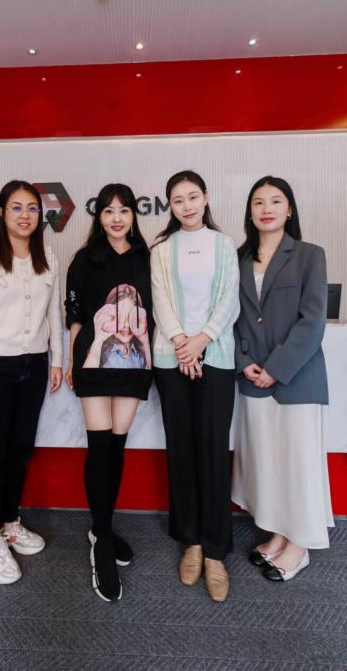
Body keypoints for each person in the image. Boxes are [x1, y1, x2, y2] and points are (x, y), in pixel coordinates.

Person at [0, 179, 64, 585]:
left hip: (33, 366)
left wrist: (57, 359)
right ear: (2, 212)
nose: (25, 215)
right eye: (17, 208)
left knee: (20, 450)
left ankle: (8, 521)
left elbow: (53, 314)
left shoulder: (48, 257)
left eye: (32, 208)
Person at [232, 176, 332, 583]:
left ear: (289, 209)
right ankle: (278, 534)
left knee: (298, 462)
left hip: (296, 377)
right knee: (267, 463)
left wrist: (276, 367)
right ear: (250, 211)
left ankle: (300, 545)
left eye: (276, 201)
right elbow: (232, 319)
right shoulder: (237, 259)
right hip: (251, 378)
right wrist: (243, 362)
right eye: (258, 202)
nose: (267, 209)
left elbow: (313, 321)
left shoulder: (309, 255)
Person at [150, 170, 240, 602]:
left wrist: (202, 340)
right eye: (177, 200)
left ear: (205, 198)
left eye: (192, 197)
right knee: (182, 450)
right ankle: (191, 542)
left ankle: (216, 550)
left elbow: (230, 300)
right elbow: (160, 302)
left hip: (216, 357)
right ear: (170, 205)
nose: (186, 206)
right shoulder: (161, 250)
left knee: (213, 450)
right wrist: (182, 344)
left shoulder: (225, 245)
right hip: (171, 359)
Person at [65, 183, 153, 602]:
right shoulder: (84, 259)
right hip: (94, 363)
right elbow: (75, 316)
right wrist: (72, 361)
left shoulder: (148, 257)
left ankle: (102, 526)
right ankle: (101, 541)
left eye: (124, 210)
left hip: (135, 364)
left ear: (134, 215)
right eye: (108, 211)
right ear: (98, 217)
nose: (116, 218)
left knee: (117, 447)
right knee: (99, 447)